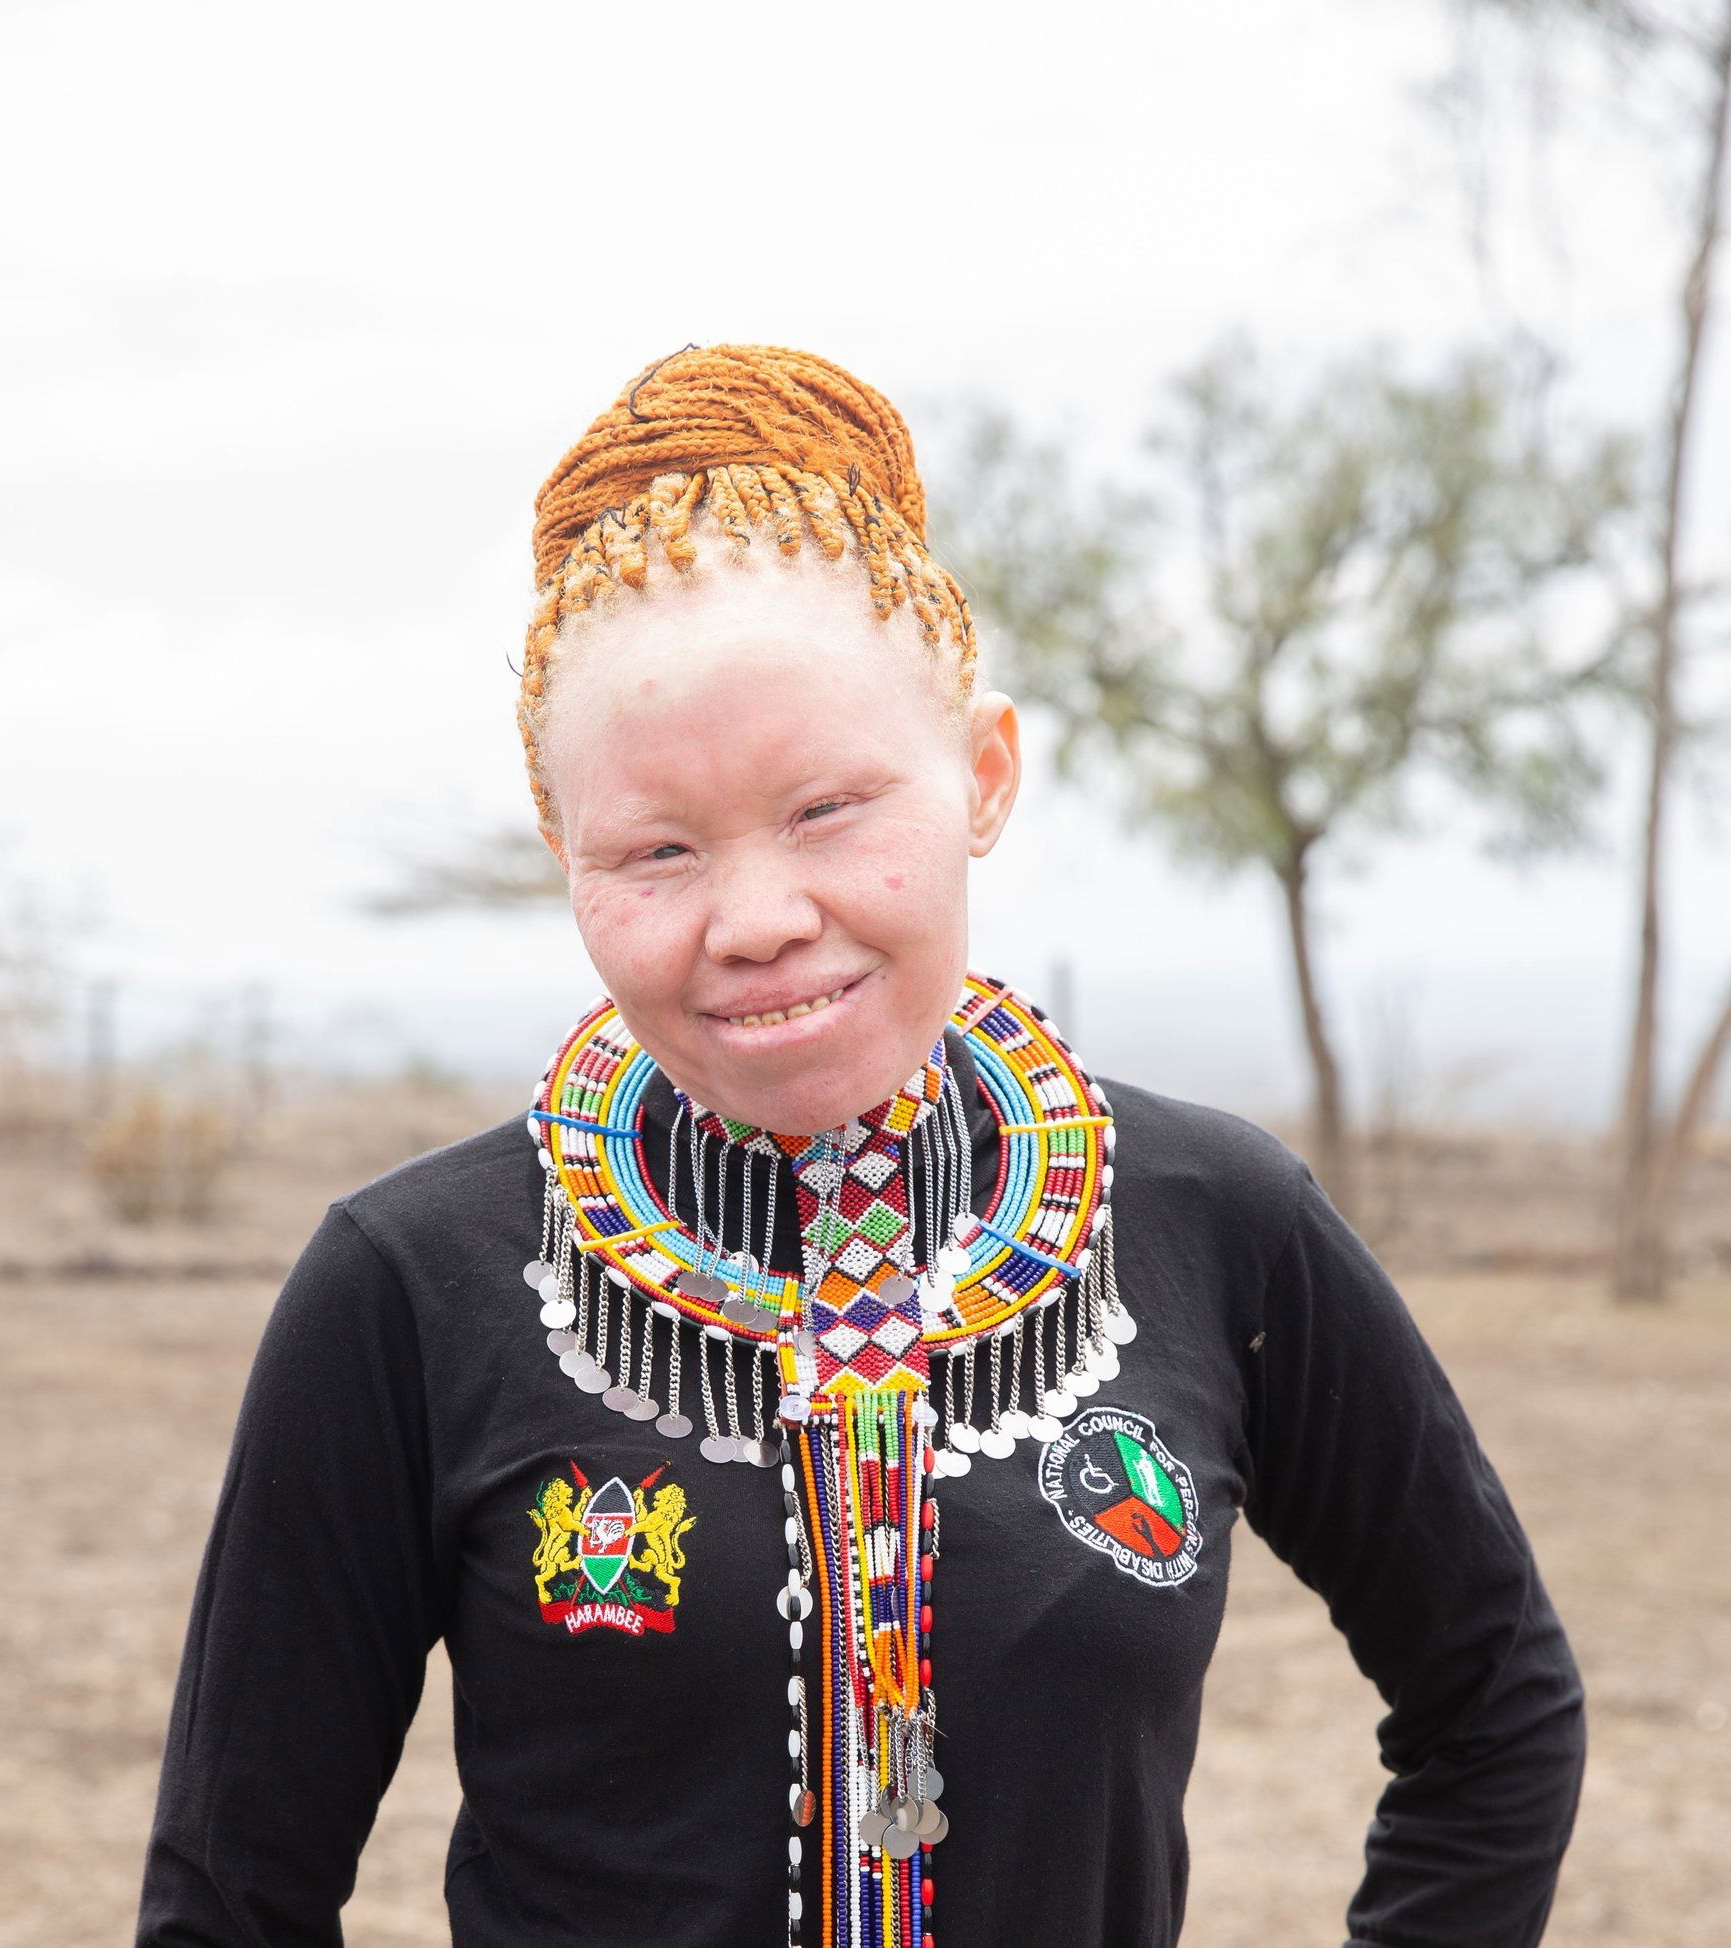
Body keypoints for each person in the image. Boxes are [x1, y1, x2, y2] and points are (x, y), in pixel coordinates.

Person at [134, 344, 1585, 1948]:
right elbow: (230, 1892)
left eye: (829, 810)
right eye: (657, 850)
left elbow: (1493, 1702)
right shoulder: (411, 1284)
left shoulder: (1214, 1222)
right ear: (564, 848)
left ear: (982, 776)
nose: (758, 921)